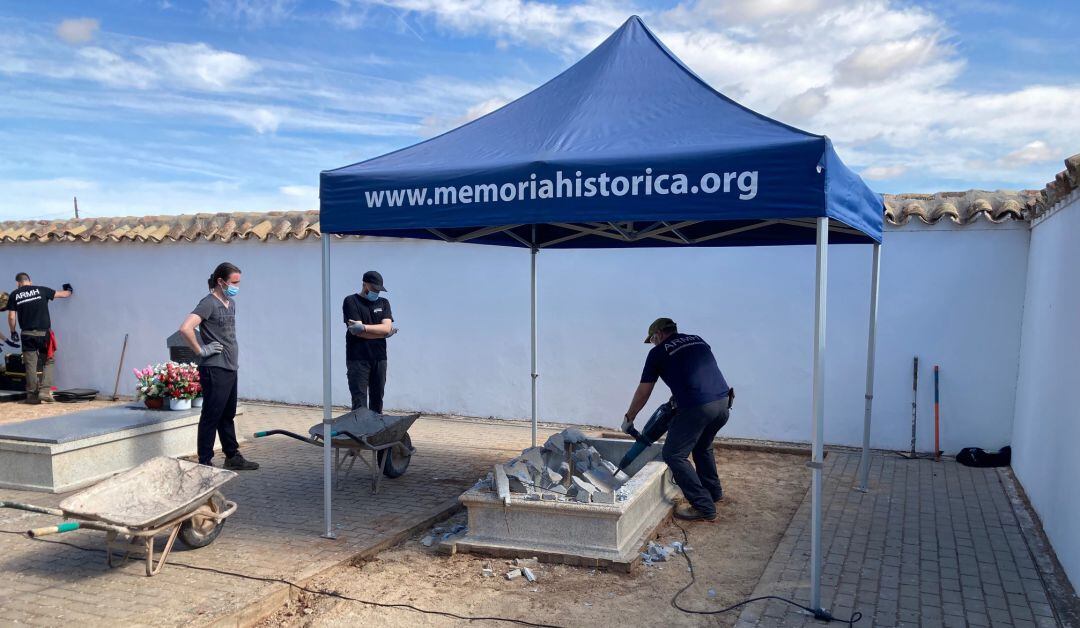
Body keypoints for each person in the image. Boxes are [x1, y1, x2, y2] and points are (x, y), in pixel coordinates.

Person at [622, 318, 732, 522]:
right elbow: (698, 372)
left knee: (673, 454)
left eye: (652, 339)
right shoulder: (698, 340)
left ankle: (703, 506)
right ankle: (714, 493)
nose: (653, 343)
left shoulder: (657, 352)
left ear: (659, 334)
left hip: (698, 407)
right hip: (723, 402)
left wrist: (630, 417)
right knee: (702, 446)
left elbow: (644, 390)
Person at [179, 262, 258, 470]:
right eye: (234, 282)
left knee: (227, 414)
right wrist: (201, 350)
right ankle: (204, 462)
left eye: (238, 282)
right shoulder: (208, 303)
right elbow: (186, 328)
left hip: (230, 366)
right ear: (221, 281)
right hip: (214, 367)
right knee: (211, 415)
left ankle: (232, 456)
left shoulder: (230, 303)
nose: (237, 286)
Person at [4, 273, 73, 404]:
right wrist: (69, 290)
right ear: (29, 281)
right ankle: (45, 391)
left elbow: (11, 317)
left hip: (27, 335)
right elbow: (63, 294)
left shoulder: (14, 294)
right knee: (48, 360)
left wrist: (13, 332)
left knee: (31, 365)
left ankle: (32, 396)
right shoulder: (41, 290)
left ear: (18, 283)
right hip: (44, 334)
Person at [342, 270, 397, 412]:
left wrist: (365, 328)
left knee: (377, 399)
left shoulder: (384, 303)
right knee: (359, 401)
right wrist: (381, 333)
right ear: (365, 284)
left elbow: (386, 328)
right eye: (374, 289)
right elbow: (357, 332)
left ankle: (375, 433)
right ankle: (359, 433)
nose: (376, 292)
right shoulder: (351, 301)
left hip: (379, 358)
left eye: (379, 290)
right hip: (357, 359)